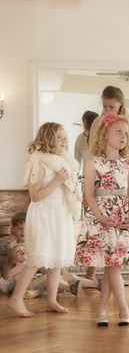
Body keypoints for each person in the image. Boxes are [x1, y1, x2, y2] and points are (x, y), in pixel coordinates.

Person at [7, 122, 82, 317]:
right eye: (59, 137)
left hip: (59, 214)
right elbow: (35, 195)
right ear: (48, 138)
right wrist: (57, 181)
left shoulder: (63, 162)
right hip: (44, 215)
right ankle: (16, 299)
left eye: (65, 137)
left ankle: (52, 300)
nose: (64, 141)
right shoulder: (39, 163)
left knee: (56, 260)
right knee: (35, 258)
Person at [74, 112, 129, 326]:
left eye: (126, 133)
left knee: (112, 267)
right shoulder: (93, 162)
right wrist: (100, 216)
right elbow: (89, 195)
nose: (124, 136)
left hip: (121, 219)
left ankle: (103, 311)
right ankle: (123, 309)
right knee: (112, 268)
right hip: (100, 218)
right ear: (104, 135)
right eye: (118, 132)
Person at [85, 85, 129, 284]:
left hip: (122, 176)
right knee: (100, 228)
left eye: (112, 107)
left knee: (118, 229)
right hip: (101, 175)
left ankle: (115, 272)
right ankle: (93, 273)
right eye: (105, 106)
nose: (108, 110)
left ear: (121, 104)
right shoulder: (99, 121)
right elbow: (93, 148)